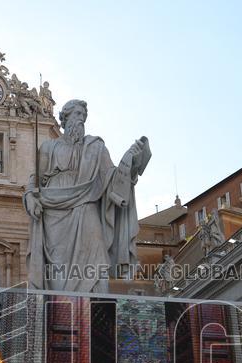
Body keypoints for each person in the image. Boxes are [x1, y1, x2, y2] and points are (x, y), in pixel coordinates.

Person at [23, 99, 150, 292]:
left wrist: (130, 162)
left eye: (84, 115)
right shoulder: (49, 147)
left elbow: (112, 179)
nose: (81, 119)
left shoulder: (96, 147)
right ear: (65, 118)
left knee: (98, 258)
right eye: (77, 114)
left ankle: (99, 314)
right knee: (58, 274)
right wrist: (30, 196)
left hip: (88, 205)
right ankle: (60, 314)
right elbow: (36, 179)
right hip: (54, 212)